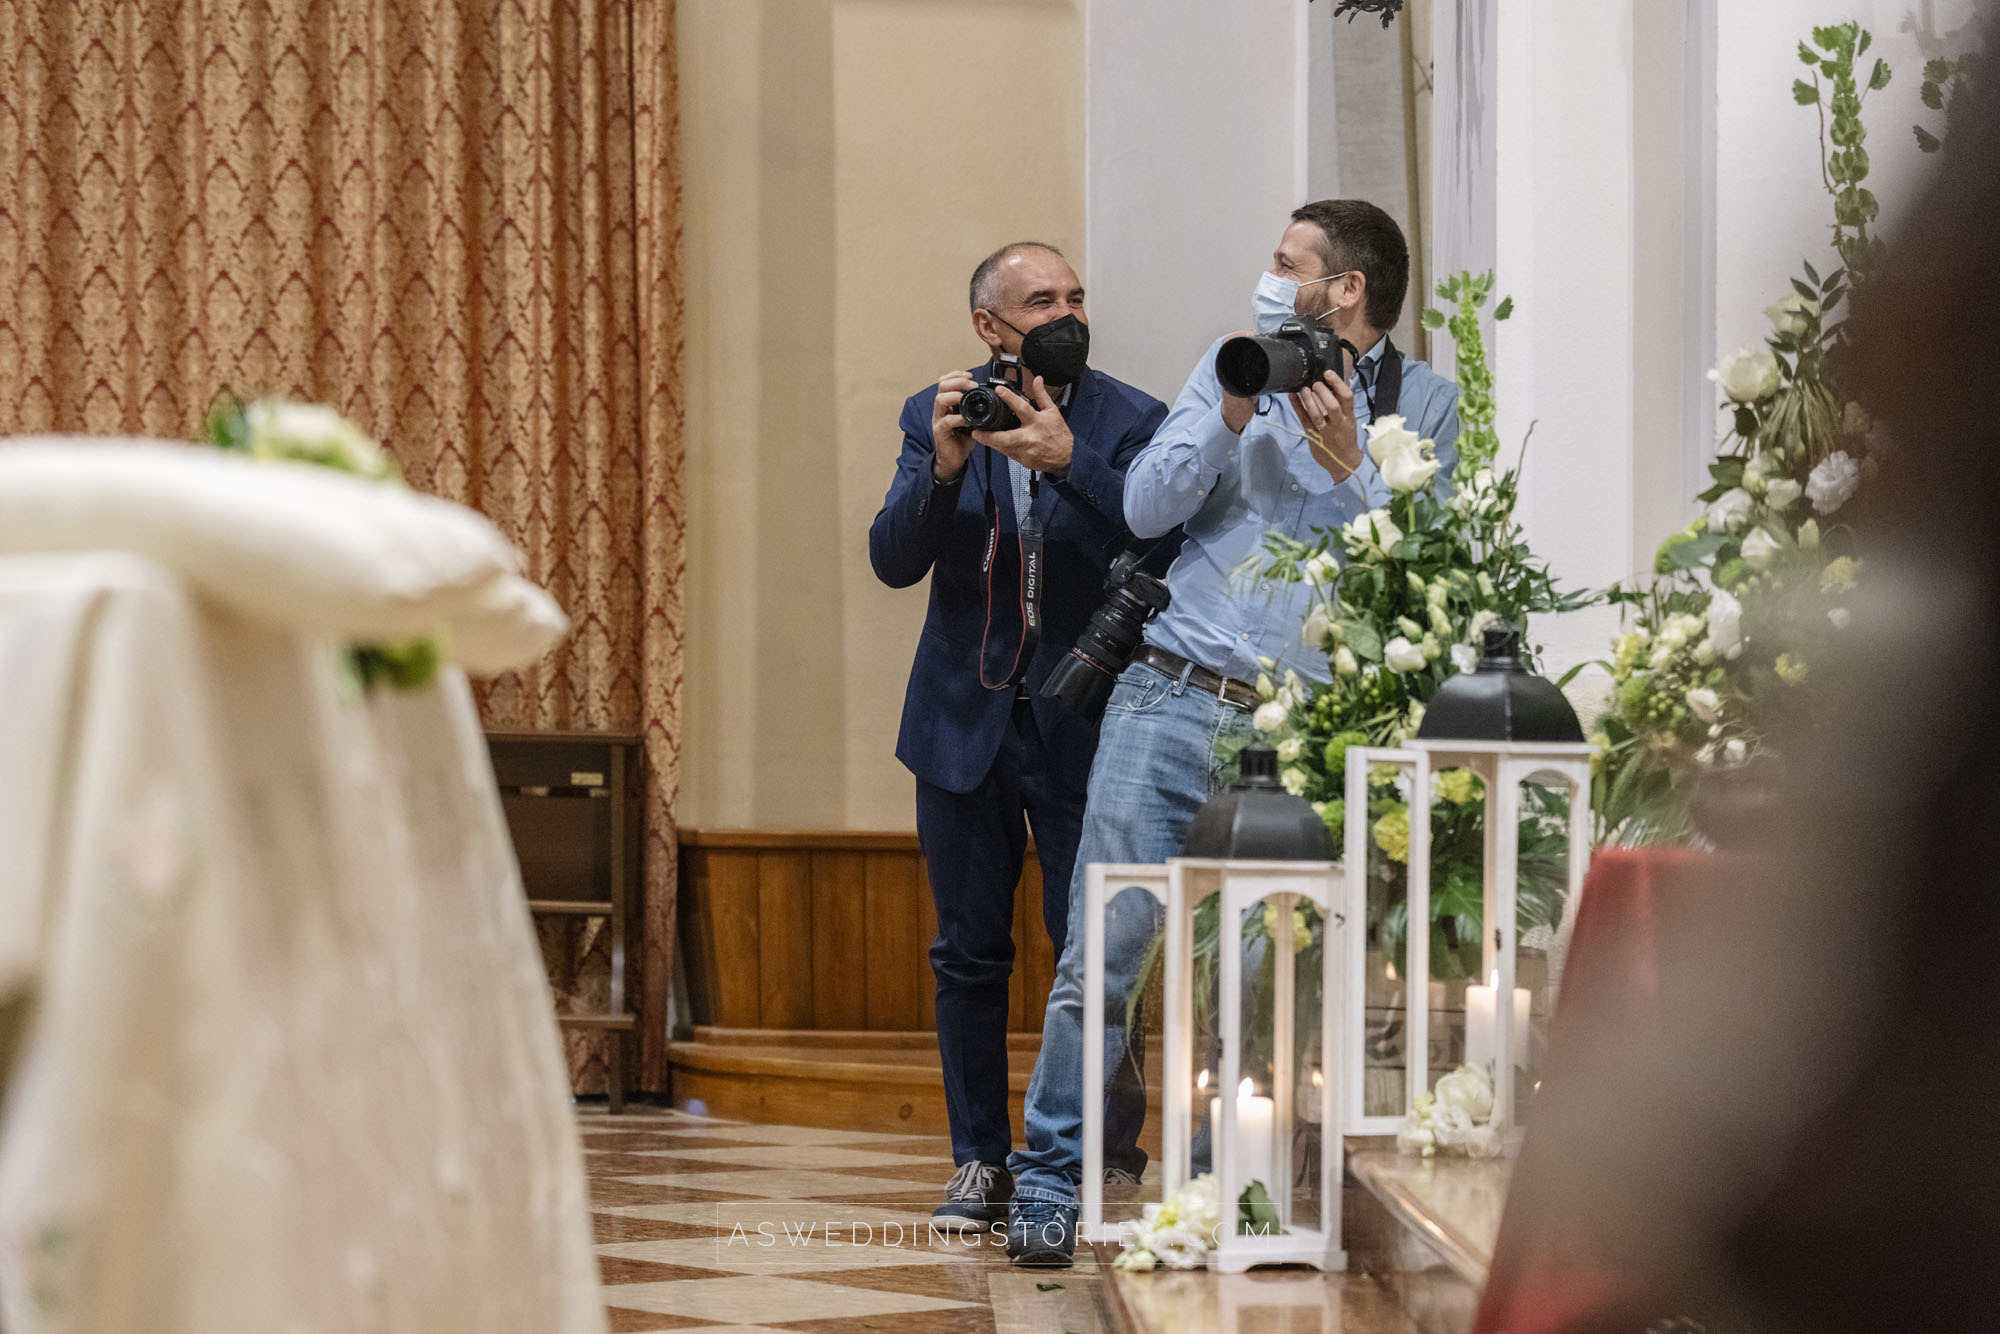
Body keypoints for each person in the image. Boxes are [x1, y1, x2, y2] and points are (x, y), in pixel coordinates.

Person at [1004, 200, 1462, 1265]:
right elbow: (1148, 510)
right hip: (1167, 695)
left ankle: (1211, 1197)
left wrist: (1353, 466)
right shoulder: (1231, 360)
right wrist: (1226, 410)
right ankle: (1046, 1181)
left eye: (1284, 262)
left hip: (1297, 732)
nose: (1267, 277)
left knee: (1249, 988)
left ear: (1341, 289)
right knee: (1099, 959)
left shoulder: (1427, 404)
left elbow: (1421, 569)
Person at [869, 242, 1169, 1230]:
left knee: (1094, 947)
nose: (1065, 311)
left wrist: (1068, 463)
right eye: (1041, 299)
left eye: (1075, 294)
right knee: (966, 951)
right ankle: (977, 1156)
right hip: (963, 722)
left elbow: (1155, 540)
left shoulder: (1133, 421)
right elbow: (892, 557)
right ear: (988, 328)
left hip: (1086, 721)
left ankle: (1101, 1151)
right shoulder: (937, 411)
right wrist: (947, 466)